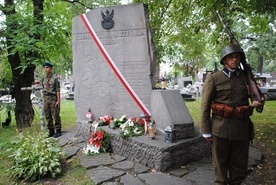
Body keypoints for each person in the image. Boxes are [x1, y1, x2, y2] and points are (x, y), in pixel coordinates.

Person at [200, 44, 263, 185]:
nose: (235, 60)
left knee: (239, 169)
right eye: (231, 57)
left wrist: (256, 101)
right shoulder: (214, 78)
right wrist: (205, 131)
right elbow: (205, 106)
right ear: (224, 60)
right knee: (221, 169)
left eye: (237, 57)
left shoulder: (245, 78)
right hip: (220, 130)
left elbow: (253, 96)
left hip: (241, 129)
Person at [41, 61, 62, 138]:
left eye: (47, 67)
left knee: (55, 115)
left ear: (51, 68)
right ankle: (51, 131)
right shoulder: (43, 79)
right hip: (46, 98)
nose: (46, 69)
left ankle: (58, 130)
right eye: (45, 68)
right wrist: (43, 99)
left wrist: (58, 101)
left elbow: (58, 90)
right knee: (48, 115)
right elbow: (43, 90)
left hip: (53, 98)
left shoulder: (55, 78)